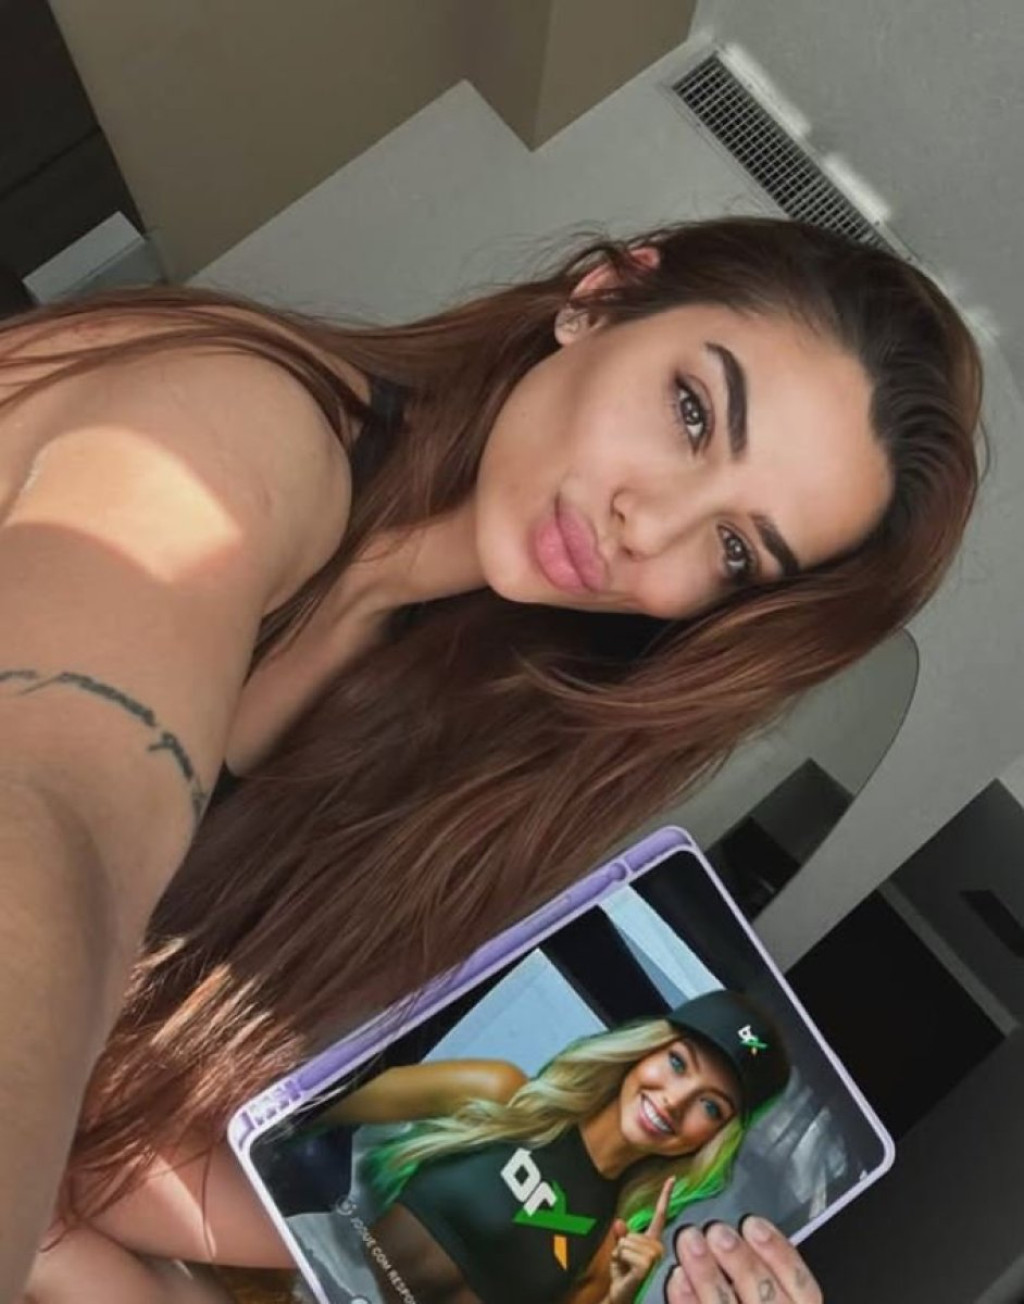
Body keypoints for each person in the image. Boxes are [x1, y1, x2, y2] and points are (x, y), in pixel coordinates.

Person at [2, 216, 980, 1304]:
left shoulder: (461, 733)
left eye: (734, 549)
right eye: (692, 412)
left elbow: (118, 1153)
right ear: (601, 297)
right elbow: (58, 814)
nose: (647, 526)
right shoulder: (240, 428)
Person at [283, 991, 790, 1304]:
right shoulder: (501, 1093)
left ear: (713, 1139)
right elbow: (313, 1110)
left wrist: (619, 1297)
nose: (676, 1101)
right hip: (298, 1281)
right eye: (678, 1063)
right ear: (643, 1050)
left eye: (711, 1106)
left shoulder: (610, 1249)